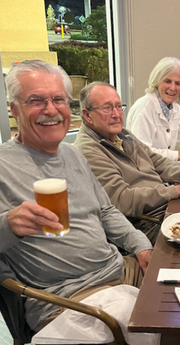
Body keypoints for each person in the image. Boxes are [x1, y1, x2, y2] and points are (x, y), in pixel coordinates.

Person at [1, 60, 153, 331]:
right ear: (13, 109)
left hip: (122, 271)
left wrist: (140, 244)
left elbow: (106, 211)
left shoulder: (73, 154)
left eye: (58, 99)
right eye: (36, 100)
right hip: (66, 299)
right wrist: (8, 225)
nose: (51, 109)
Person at [74, 81, 180, 243]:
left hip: (165, 206)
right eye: (107, 108)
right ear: (87, 115)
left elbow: (157, 161)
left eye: (118, 106)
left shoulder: (123, 135)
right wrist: (178, 190)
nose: (116, 114)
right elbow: (122, 200)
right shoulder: (88, 150)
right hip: (147, 224)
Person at [126, 57, 180, 161]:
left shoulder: (175, 108)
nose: (173, 88)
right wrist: (178, 154)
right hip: (146, 172)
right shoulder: (143, 109)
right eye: (168, 81)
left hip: (164, 168)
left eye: (178, 83)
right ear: (157, 81)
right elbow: (142, 152)